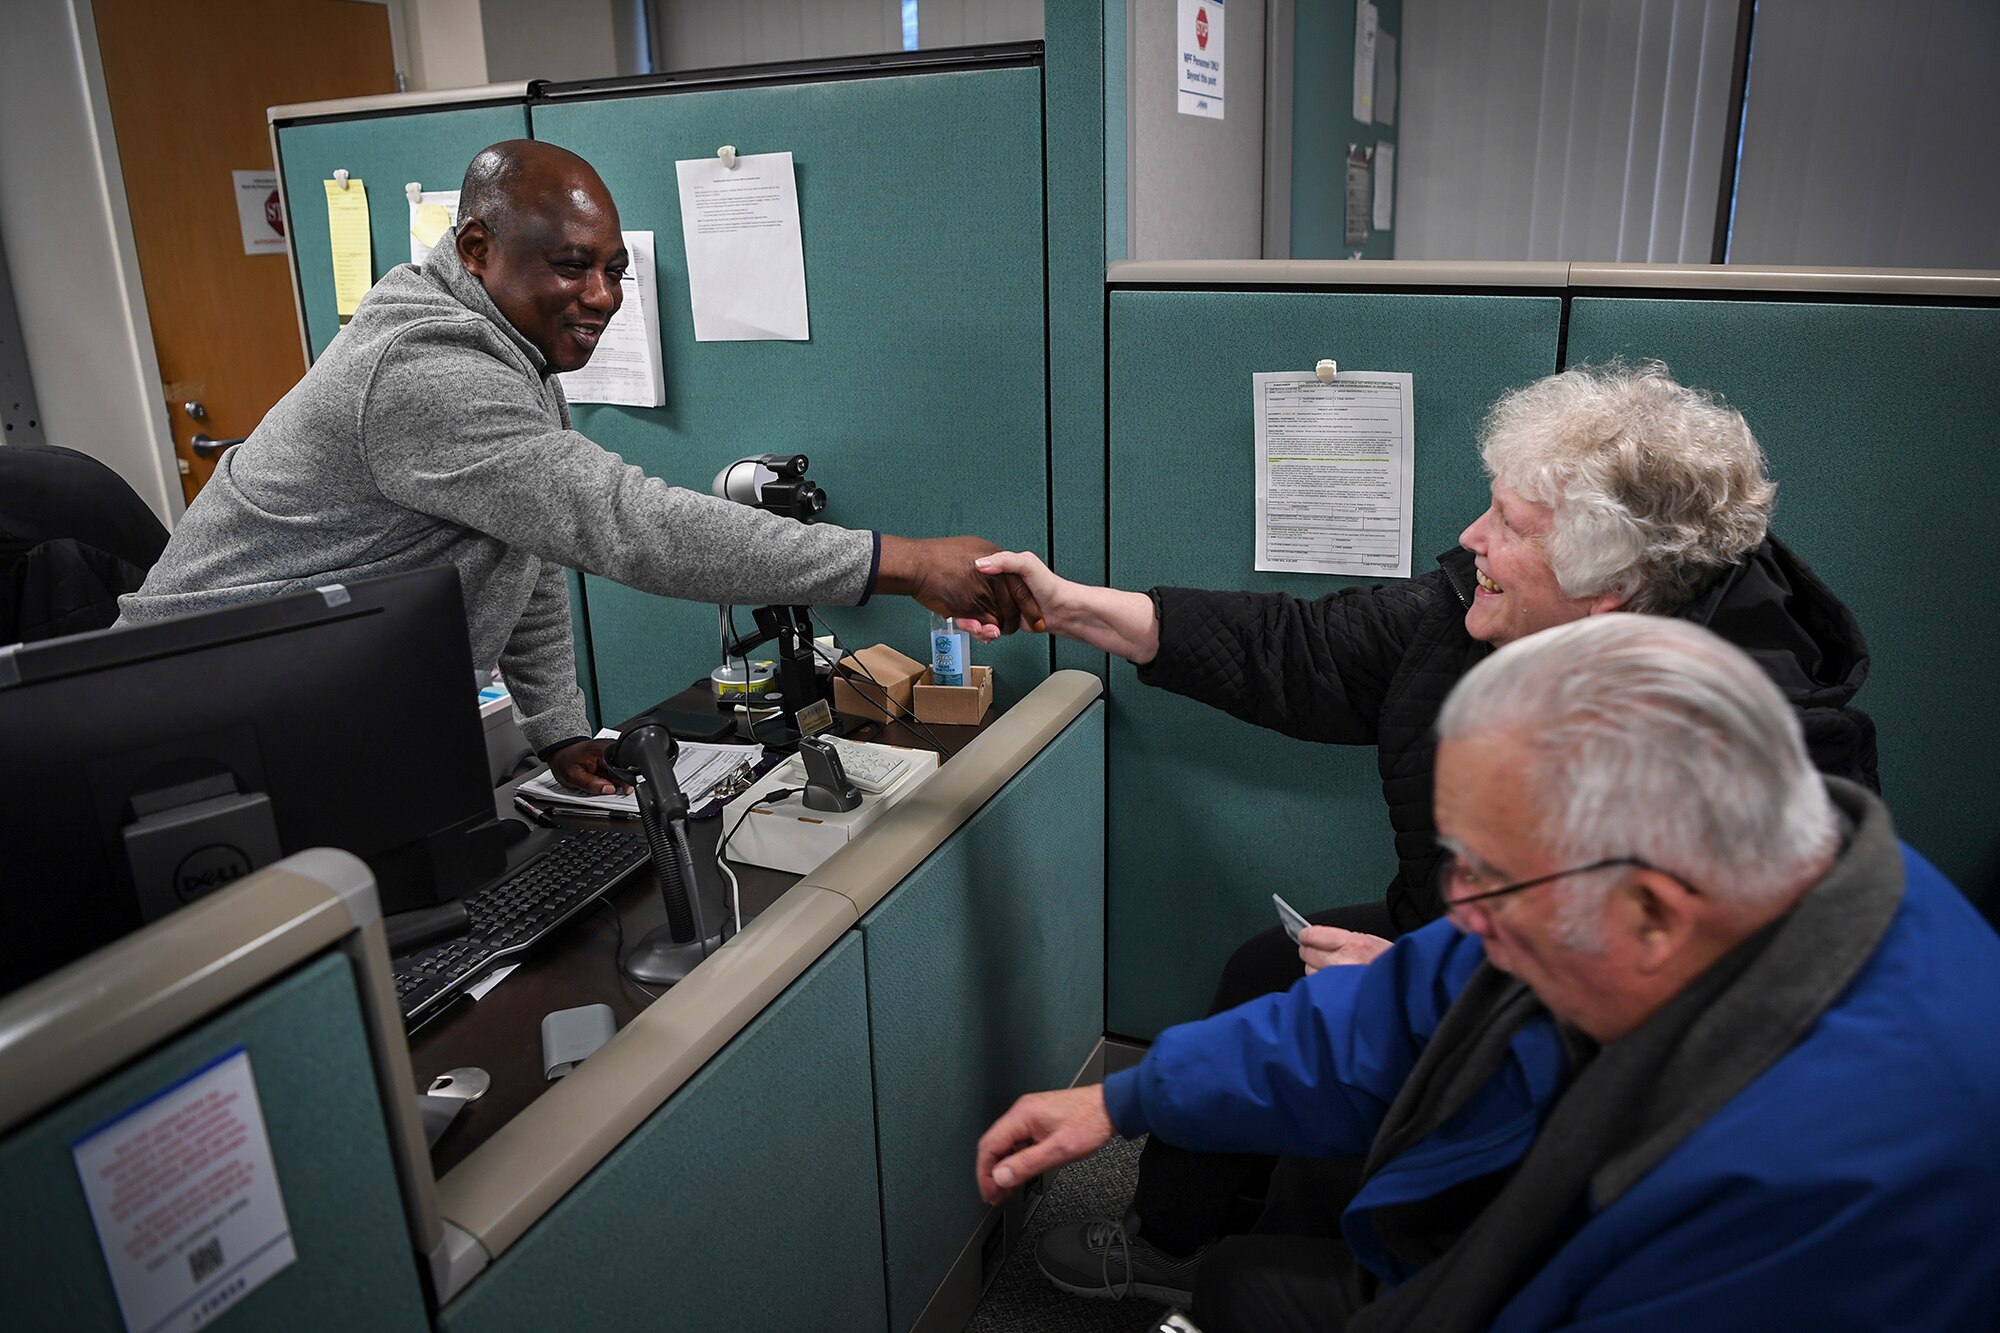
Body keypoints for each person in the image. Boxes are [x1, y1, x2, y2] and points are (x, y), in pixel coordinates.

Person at [974, 361, 1879, 1302]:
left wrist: (1422, 992)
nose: (1471, 536)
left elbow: (1648, 1055)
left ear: (1607, 584)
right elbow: (1303, 652)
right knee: (1263, 970)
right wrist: (1070, 606)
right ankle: (1171, 1242)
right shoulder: (1490, 606)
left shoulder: (1742, 773)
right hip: (1498, 966)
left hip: (1624, 1114)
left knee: (1275, 1260)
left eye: (1511, 526)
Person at [978, 615, 2000, 1332]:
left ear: (1648, 909)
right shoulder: (1710, 869)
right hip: (1511, 1238)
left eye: (1489, 874)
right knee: (1246, 1277)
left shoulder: (1836, 1182)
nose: (1456, 907)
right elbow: (1380, 1015)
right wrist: (1128, 1096)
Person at [119, 140, 1038, 792]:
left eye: (614, 271)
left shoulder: (503, 346)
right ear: (476, 248)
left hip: (325, 715)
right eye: (570, 266)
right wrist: (906, 561)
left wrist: (555, 725)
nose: (600, 298)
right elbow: (623, 523)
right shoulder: (425, 372)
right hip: (212, 733)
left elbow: (524, 542)